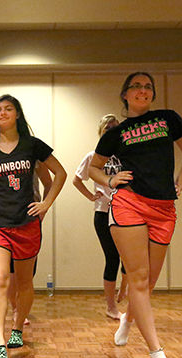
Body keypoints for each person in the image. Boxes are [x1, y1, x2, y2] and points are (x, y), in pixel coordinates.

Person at [89, 72, 182, 358]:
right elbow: (94, 167)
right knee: (138, 278)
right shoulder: (116, 132)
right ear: (125, 94)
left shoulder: (168, 118)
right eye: (136, 86)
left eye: (148, 86)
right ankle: (156, 352)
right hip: (129, 203)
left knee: (147, 284)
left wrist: (181, 182)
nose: (143, 90)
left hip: (164, 207)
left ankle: (127, 320)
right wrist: (110, 180)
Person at [0, 94, 66, 358]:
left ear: (18, 114)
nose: (3, 113)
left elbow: (60, 173)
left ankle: (18, 327)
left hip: (26, 222)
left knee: (23, 282)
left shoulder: (33, 145)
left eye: (8, 108)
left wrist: (46, 204)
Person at [0, 161, 52, 325]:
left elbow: (49, 183)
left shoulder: (35, 156)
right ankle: (15, 308)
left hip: (28, 219)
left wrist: (44, 206)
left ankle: (20, 310)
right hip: (1, 220)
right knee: (6, 273)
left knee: (25, 274)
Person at [74, 114, 128, 320]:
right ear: (101, 133)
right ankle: (111, 306)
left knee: (129, 257)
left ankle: (124, 287)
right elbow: (76, 180)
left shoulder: (126, 155)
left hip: (126, 211)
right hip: (103, 213)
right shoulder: (93, 156)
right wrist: (91, 196)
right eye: (108, 129)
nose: (112, 132)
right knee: (112, 257)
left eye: (115, 128)